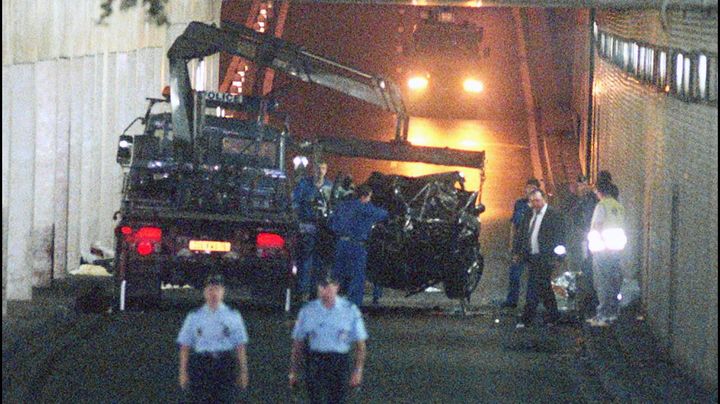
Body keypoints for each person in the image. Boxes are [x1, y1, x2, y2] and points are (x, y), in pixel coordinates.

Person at [289, 274, 368, 404]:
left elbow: (361, 345)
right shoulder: (308, 311)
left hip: (339, 362)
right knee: (316, 399)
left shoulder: (350, 311)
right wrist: (293, 371)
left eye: (329, 286)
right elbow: (298, 344)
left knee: (337, 399)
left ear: (337, 287)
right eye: (322, 286)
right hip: (316, 361)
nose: (326, 291)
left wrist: (358, 371)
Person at [177, 274, 249, 403]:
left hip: (224, 364)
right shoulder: (194, 316)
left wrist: (243, 371)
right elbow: (185, 346)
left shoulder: (233, 316)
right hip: (201, 365)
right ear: (205, 292)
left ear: (223, 292)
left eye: (217, 289)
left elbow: (240, 346)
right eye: (210, 289)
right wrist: (183, 372)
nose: (213, 293)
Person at [512, 189, 566, 328]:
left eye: (537, 201)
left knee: (536, 285)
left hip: (545, 257)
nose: (535, 204)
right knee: (543, 286)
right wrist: (517, 251)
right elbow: (522, 233)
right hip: (532, 256)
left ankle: (528, 317)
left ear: (544, 200)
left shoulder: (553, 215)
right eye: (532, 201)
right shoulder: (529, 214)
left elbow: (560, 237)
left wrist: (558, 257)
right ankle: (552, 315)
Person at [329, 184, 388, 308]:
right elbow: (382, 214)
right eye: (369, 197)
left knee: (337, 277)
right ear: (365, 196)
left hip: (340, 245)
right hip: (356, 246)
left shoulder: (342, 206)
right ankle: (353, 308)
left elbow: (331, 224)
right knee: (357, 278)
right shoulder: (365, 207)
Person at [586, 182, 626, 327]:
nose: (596, 194)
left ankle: (602, 315)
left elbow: (597, 226)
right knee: (614, 281)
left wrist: (593, 244)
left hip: (602, 250)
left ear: (600, 192)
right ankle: (613, 313)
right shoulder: (618, 206)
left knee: (602, 282)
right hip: (615, 250)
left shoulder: (601, 206)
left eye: (596, 192)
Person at [293, 160, 333, 300]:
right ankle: (301, 291)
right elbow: (295, 203)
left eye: (323, 168)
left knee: (320, 263)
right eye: (318, 168)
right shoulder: (304, 184)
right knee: (305, 260)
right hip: (307, 226)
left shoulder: (329, 186)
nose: (320, 171)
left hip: (323, 229)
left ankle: (314, 291)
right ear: (313, 170)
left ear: (326, 170)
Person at [500, 178, 541, 309]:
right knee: (514, 274)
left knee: (533, 277)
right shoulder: (519, 204)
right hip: (520, 245)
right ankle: (512, 301)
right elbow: (514, 225)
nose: (529, 190)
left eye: (533, 188)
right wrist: (511, 244)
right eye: (528, 187)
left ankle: (531, 303)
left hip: (533, 246)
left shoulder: (540, 205)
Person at [568, 175, 599, 316]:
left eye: (585, 184)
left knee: (588, 267)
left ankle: (589, 299)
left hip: (590, 237)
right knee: (578, 267)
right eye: (580, 185)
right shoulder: (574, 200)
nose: (583, 187)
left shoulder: (593, 200)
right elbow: (570, 215)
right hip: (578, 237)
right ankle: (579, 300)